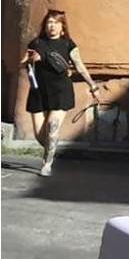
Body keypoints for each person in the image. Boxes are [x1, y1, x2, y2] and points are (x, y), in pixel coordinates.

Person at [20, 10, 98, 176]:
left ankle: (47, 164)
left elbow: (80, 66)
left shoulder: (68, 44)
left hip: (61, 91)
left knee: (52, 126)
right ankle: (48, 150)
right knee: (41, 136)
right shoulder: (36, 43)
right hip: (38, 92)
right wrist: (28, 61)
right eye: (49, 22)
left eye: (56, 23)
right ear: (45, 25)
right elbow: (23, 62)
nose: (52, 26)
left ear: (62, 27)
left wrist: (93, 86)